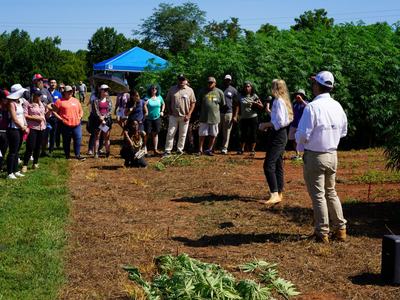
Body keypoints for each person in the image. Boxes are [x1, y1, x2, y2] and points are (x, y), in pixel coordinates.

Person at [295, 71, 348, 243]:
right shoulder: (337, 106)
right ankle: (341, 229)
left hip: (316, 156)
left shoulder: (312, 107)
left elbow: (302, 134)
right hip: (333, 154)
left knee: (318, 195)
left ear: (317, 86)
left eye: (314, 83)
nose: (312, 86)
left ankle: (322, 232)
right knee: (331, 192)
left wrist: (300, 145)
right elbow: (343, 132)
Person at [259, 79, 293, 205]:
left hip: (277, 135)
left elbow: (277, 123)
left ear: (275, 88)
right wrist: (268, 110)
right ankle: (279, 192)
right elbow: (282, 119)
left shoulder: (278, 101)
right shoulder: (283, 101)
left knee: (268, 164)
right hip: (282, 134)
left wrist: (264, 125)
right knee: (278, 163)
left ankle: (274, 193)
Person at [49, 85, 85, 160]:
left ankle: (77, 155)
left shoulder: (76, 100)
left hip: (77, 124)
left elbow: (81, 110)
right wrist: (61, 119)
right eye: (68, 92)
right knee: (66, 141)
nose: (70, 93)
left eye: (71, 91)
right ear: (64, 92)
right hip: (65, 125)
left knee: (78, 139)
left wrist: (80, 116)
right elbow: (54, 112)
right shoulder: (59, 101)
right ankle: (67, 155)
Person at [164, 74, 196, 155]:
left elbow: (193, 103)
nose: (181, 81)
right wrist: (169, 111)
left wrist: (189, 114)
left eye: (183, 79)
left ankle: (179, 149)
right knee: (171, 133)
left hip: (185, 116)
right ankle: (168, 150)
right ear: (177, 80)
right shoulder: (172, 89)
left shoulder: (190, 90)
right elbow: (167, 101)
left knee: (183, 134)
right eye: (180, 79)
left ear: (186, 80)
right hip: (173, 116)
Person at [197, 76, 225, 156]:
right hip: (204, 117)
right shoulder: (202, 91)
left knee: (213, 134)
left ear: (215, 83)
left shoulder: (219, 92)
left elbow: (223, 104)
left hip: (215, 117)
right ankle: (200, 150)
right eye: (208, 82)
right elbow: (198, 103)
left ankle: (209, 150)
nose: (210, 84)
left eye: (211, 83)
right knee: (202, 134)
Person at [234, 81, 263, 156]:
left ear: (251, 87)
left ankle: (252, 150)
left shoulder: (254, 96)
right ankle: (241, 149)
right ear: (243, 88)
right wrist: (235, 116)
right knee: (243, 134)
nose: (247, 88)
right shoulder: (240, 96)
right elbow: (237, 106)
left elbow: (261, 106)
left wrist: (256, 103)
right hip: (244, 117)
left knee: (253, 134)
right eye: (246, 86)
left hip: (253, 117)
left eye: (248, 86)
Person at [22, 89, 48, 172]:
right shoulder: (27, 103)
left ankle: (35, 163)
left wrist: (49, 111)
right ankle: (25, 164)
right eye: (37, 95)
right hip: (32, 127)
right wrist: (36, 118)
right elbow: (24, 115)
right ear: (33, 95)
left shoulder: (42, 104)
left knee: (38, 146)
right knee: (30, 146)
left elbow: (44, 115)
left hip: (42, 127)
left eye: (39, 95)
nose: (39, 97)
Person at [6, 84, 28, 179]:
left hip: (20, 129)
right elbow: (14, 119)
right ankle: (9, 173)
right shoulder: (11, 103)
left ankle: (15, 170)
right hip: (13, 130)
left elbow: (22, 115)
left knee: (17, 151)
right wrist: (23, 127)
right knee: (12, 151)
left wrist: (25, 125)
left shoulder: (19, 102)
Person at [32, 74, 52, 157]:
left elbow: (50, 101)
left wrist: (48, 108)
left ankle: (43, 151)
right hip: (33, 118)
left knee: (45, 135)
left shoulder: (45, 90)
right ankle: (32, 153)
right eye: (38, 80)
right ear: (34, 81)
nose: (40, 81)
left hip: (44, 117)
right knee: (33, 137)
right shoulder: (30, 90)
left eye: (41, 80)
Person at [219, 74, 239, 154]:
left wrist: (235, 115)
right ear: (224, 80)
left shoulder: (233, 90)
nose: (227, 81)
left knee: (227, 131)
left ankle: (224, 148)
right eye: (226, 80)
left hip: (229, 113)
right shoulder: (219, 89)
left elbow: (237, 104)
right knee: (216, 131)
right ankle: (212, 147)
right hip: (218, 112)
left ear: (230, 81)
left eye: (228, 80)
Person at [92, 84, 113, 158]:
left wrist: (104, 117)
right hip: (98, 121)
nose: (107, 92)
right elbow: (95, 110)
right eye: (106, 90)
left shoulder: (109, 100)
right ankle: (96, 153)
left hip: (106, 121)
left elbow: (110, 110)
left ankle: (107, 152)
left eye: (108, 90)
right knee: (97, 136)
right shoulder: (96, 100)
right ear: (101, 91)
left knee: (106, 137)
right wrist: (100, 118)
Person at [144, 84, 165, 155]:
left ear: (157, 90)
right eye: (152, 88)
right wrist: (146, 110)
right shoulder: (147, 97)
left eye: (155, 89)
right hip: (148, 118)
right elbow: (143, 105)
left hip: (157, 118)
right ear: (150, 89)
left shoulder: (159, 97)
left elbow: (163, 104)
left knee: (155, 133)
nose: (154, 90)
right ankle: (144, 149)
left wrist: (162, 111)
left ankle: (155, 149)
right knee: (147, 133)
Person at [288, 89, 308, 160]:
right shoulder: (294, 103)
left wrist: (302, 100)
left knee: (302, 140)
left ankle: (303, 155)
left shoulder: (306, 103)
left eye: (300, 94)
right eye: (297, 94)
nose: (298, 95)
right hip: (294, 124)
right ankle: (298, 154)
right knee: (293, 139)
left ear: (303, 95)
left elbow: (309, 108)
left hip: (302, 125)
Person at [48, 79, 62, 154]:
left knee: (54, 132)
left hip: (55, 116)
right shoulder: (46, 92)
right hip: (46, 116)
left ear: (56, 84)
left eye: (54, 83)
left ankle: (51, 148)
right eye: (51, 82)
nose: (52, 84)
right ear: (48, 83)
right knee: (46, 133)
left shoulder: (59, 94)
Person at [0, 89, 10, 172]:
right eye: (6, 98)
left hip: (6, 131)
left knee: (3, 150)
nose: (7, 100)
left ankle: (0, 165)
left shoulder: (8, 107)